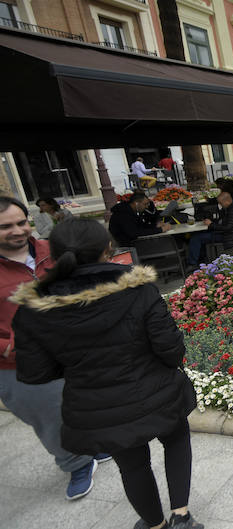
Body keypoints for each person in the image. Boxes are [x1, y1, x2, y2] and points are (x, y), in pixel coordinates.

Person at [11, 218, 203, 529]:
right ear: (108, 249)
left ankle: (154, 525)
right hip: (157, 391)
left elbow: (36, 373)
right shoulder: (138, 289)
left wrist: (78, 365)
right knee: (176, 441)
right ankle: (181, 516)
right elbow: (170, 348)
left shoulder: (35, 308)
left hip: (97, 404)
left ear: (53, 255)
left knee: (132, 465)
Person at [0, 197, 110, 501]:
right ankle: (75, 462)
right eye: (6, 226)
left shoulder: (54, 251)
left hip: (73, 351)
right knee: (49, 416)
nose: (18, 230)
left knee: (87, 401)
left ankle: (95, 443)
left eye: (21, 222)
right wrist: (7, 346)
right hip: (20, 363)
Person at [186, 183, 233, 268]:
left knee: (196, 238)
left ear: (227, 201)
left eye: (221, 203)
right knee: (199, 236)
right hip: (228, 234)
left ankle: (193, 263)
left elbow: (228, 227)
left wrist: (211, 225)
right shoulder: (232, 207)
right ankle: (201, 260)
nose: (220, 206)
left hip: (229, 236)